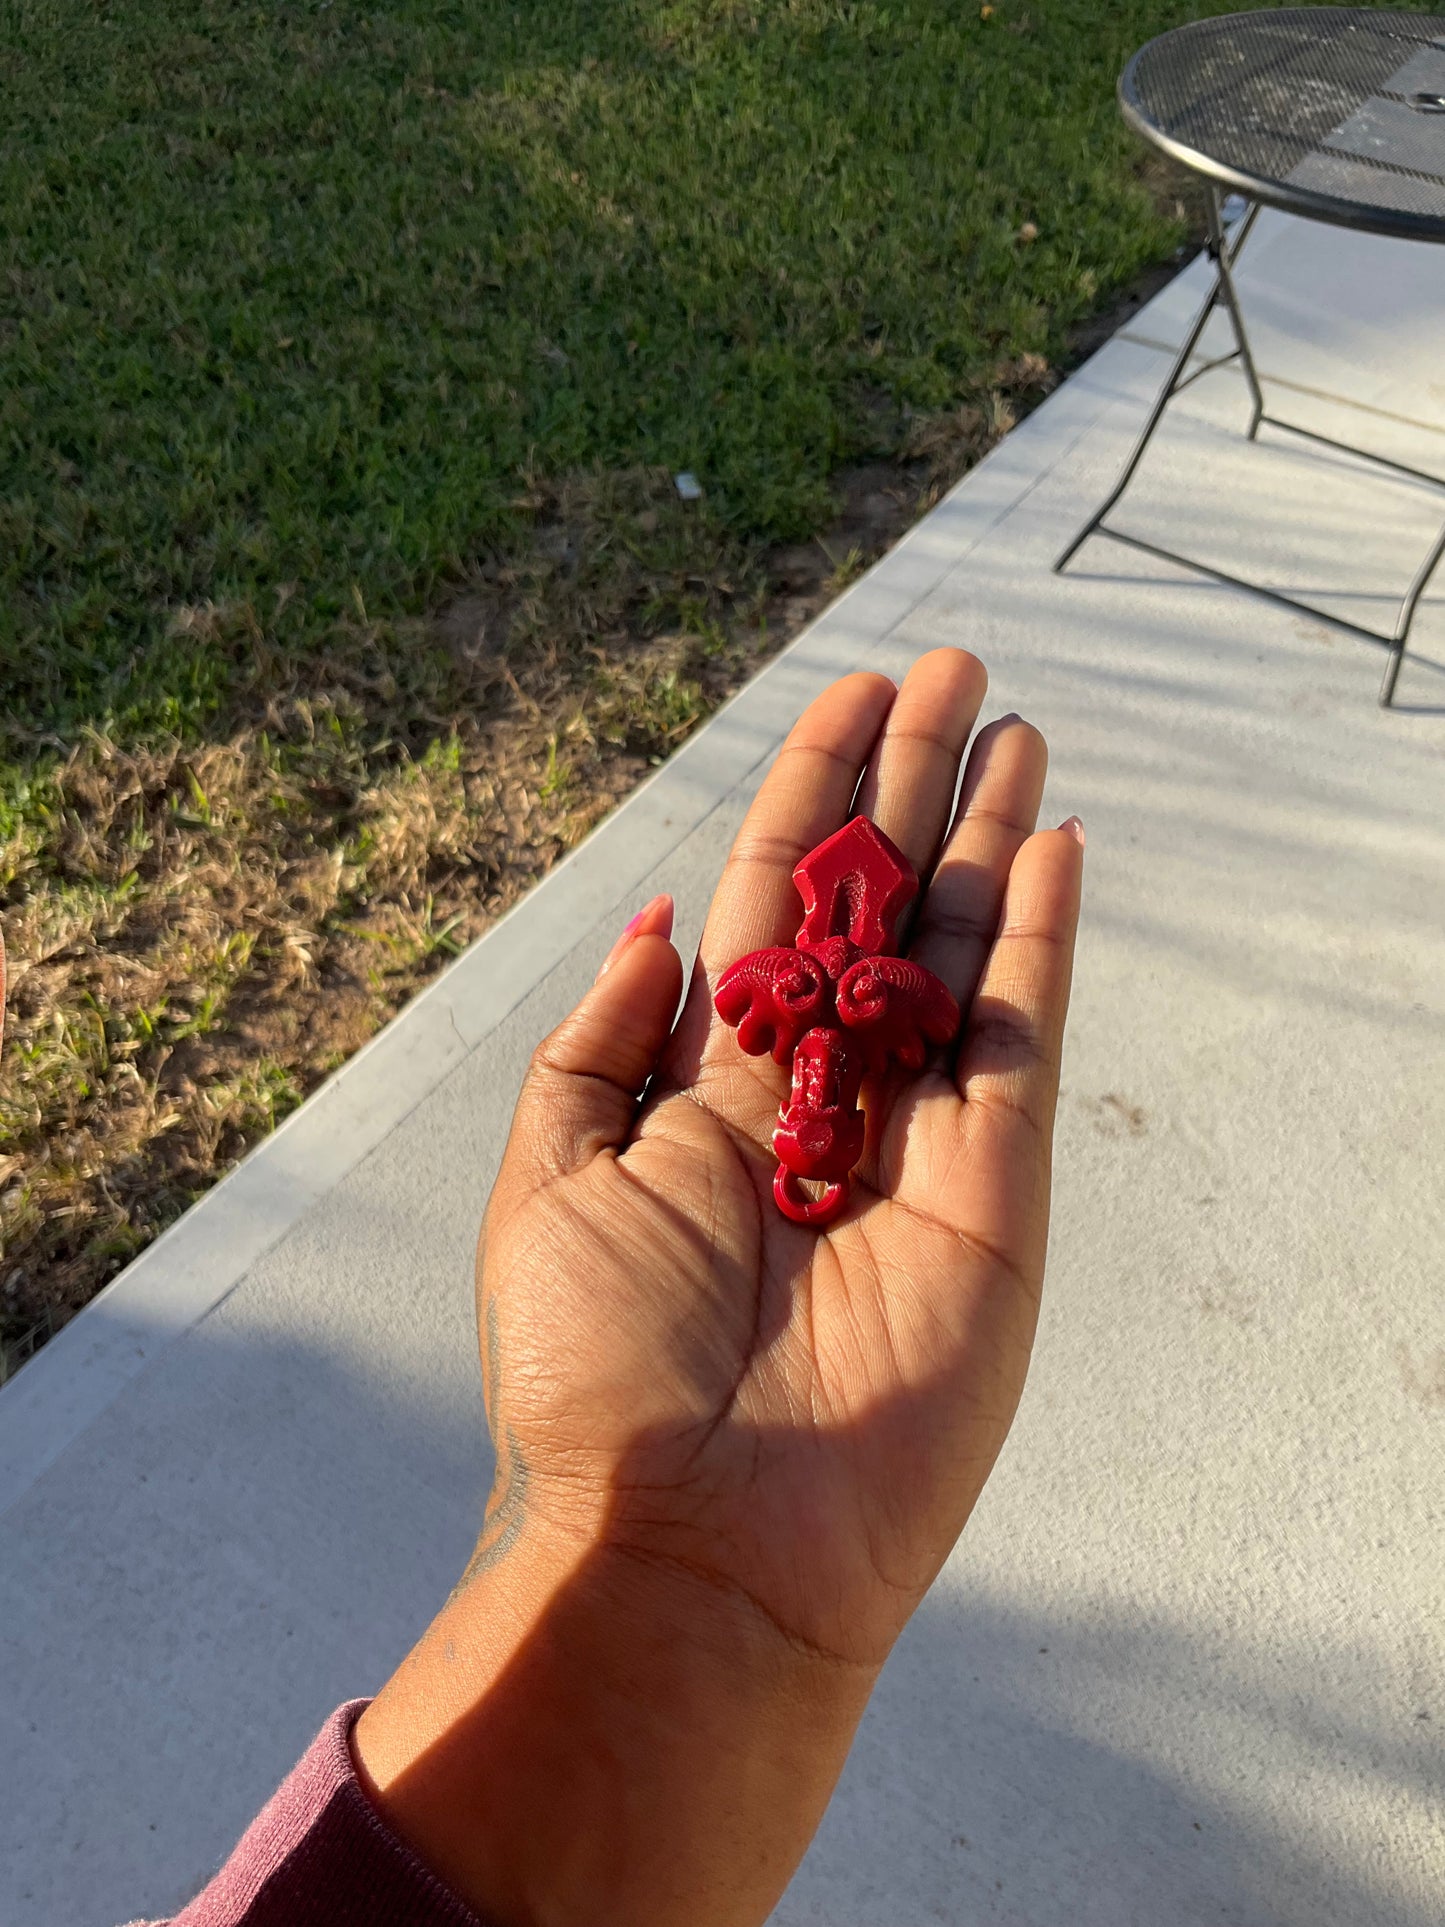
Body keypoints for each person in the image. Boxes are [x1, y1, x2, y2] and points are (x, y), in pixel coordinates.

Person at [137, 648, 1084, 1927]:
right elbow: (797, 995)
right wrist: (652, 1570)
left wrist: (635, 1581)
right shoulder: (807, 999)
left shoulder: (829, 997)